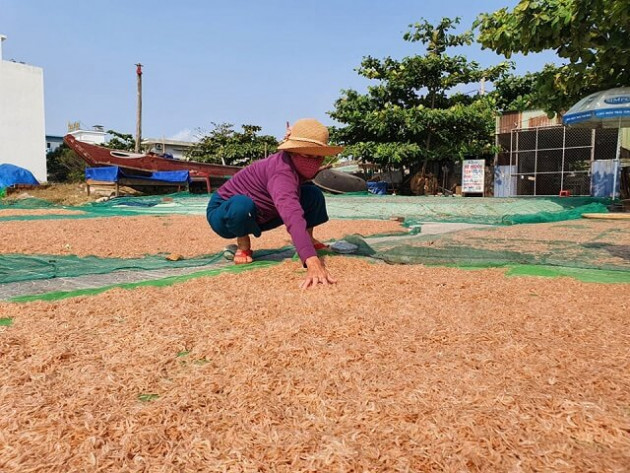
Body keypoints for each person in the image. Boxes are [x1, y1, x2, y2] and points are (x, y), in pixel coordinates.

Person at [206, 118, 342, 289]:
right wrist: (312, 261)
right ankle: (242, 242)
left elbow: (296, 203)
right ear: (293, 152)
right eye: (307, 155)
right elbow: (292, 214)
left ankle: (309, 238)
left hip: (263, 213)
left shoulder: (296, 166)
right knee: (241, 206)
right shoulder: (281, 171)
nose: (313, 161)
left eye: (318, 157)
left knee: (312, 194)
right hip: (223, 212)